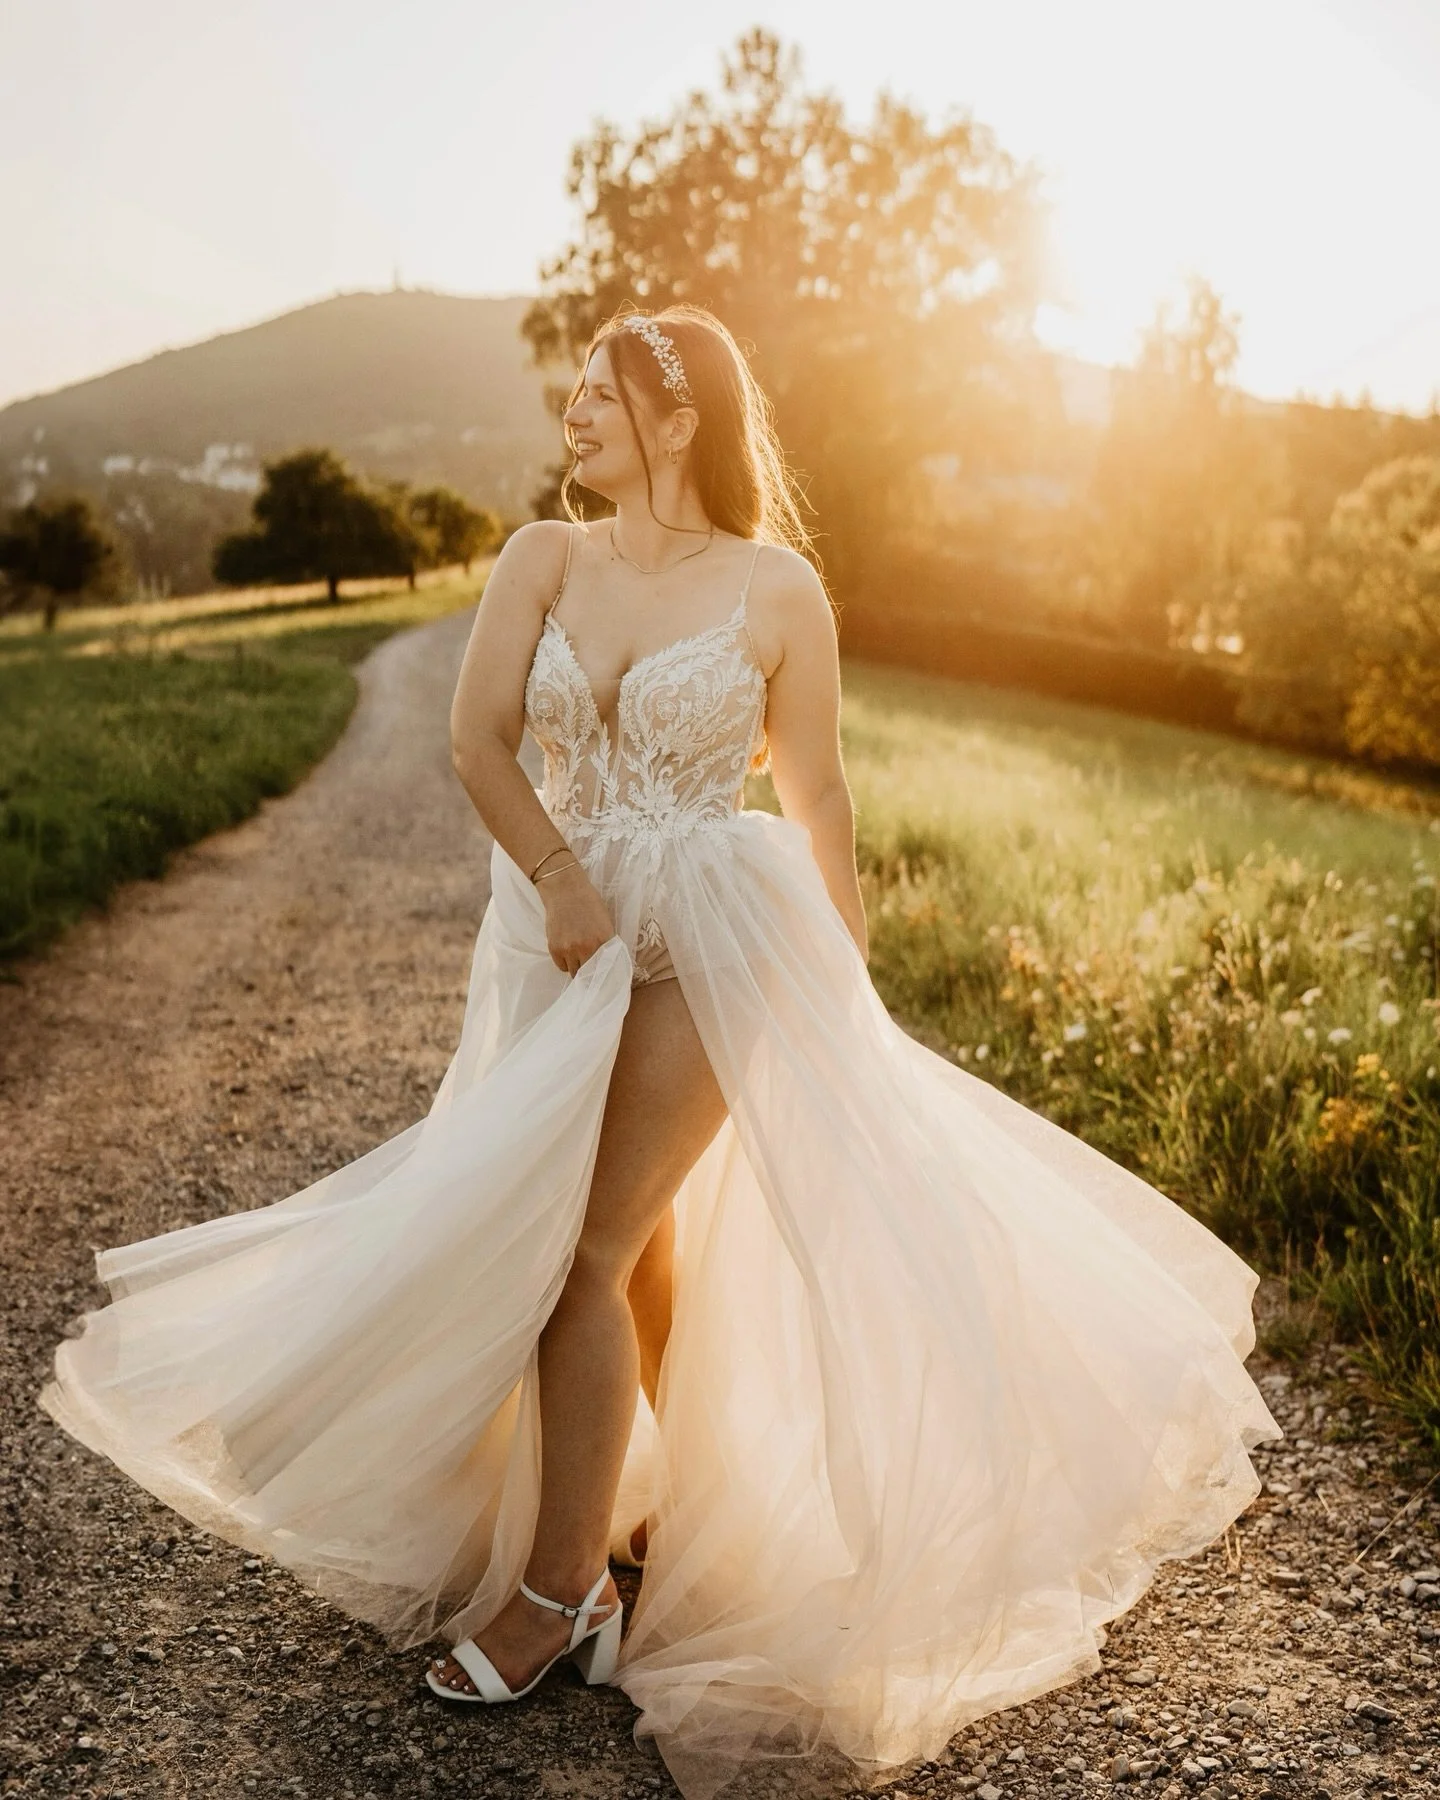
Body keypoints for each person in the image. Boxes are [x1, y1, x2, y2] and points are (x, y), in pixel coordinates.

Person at [41, 306, 1281, 1800]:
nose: (573, 415)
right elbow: (478, 742)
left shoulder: (777, 588)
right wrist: (563, 881)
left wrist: (843, 985)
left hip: (710, 933)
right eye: (573, 393)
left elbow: (819, 797)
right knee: (631, 1256)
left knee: (581, 1241)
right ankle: (675, 1519)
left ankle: (559, 1593)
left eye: (601, 396)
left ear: (681, 421)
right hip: (554, 936)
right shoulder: (540, 559)